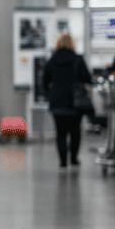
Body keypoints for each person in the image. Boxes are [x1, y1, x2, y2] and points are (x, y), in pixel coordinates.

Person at [42, 33, 92, 169]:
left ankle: (63, 161)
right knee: (75, 132)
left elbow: (44, 82)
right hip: (75, 102)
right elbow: (88, 78)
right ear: (72, 44)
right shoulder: (78, 60)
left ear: (57, 44)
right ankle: (74, 158)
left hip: (57, 102)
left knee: (60, 133)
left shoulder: (52, 60)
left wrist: (50, 95)